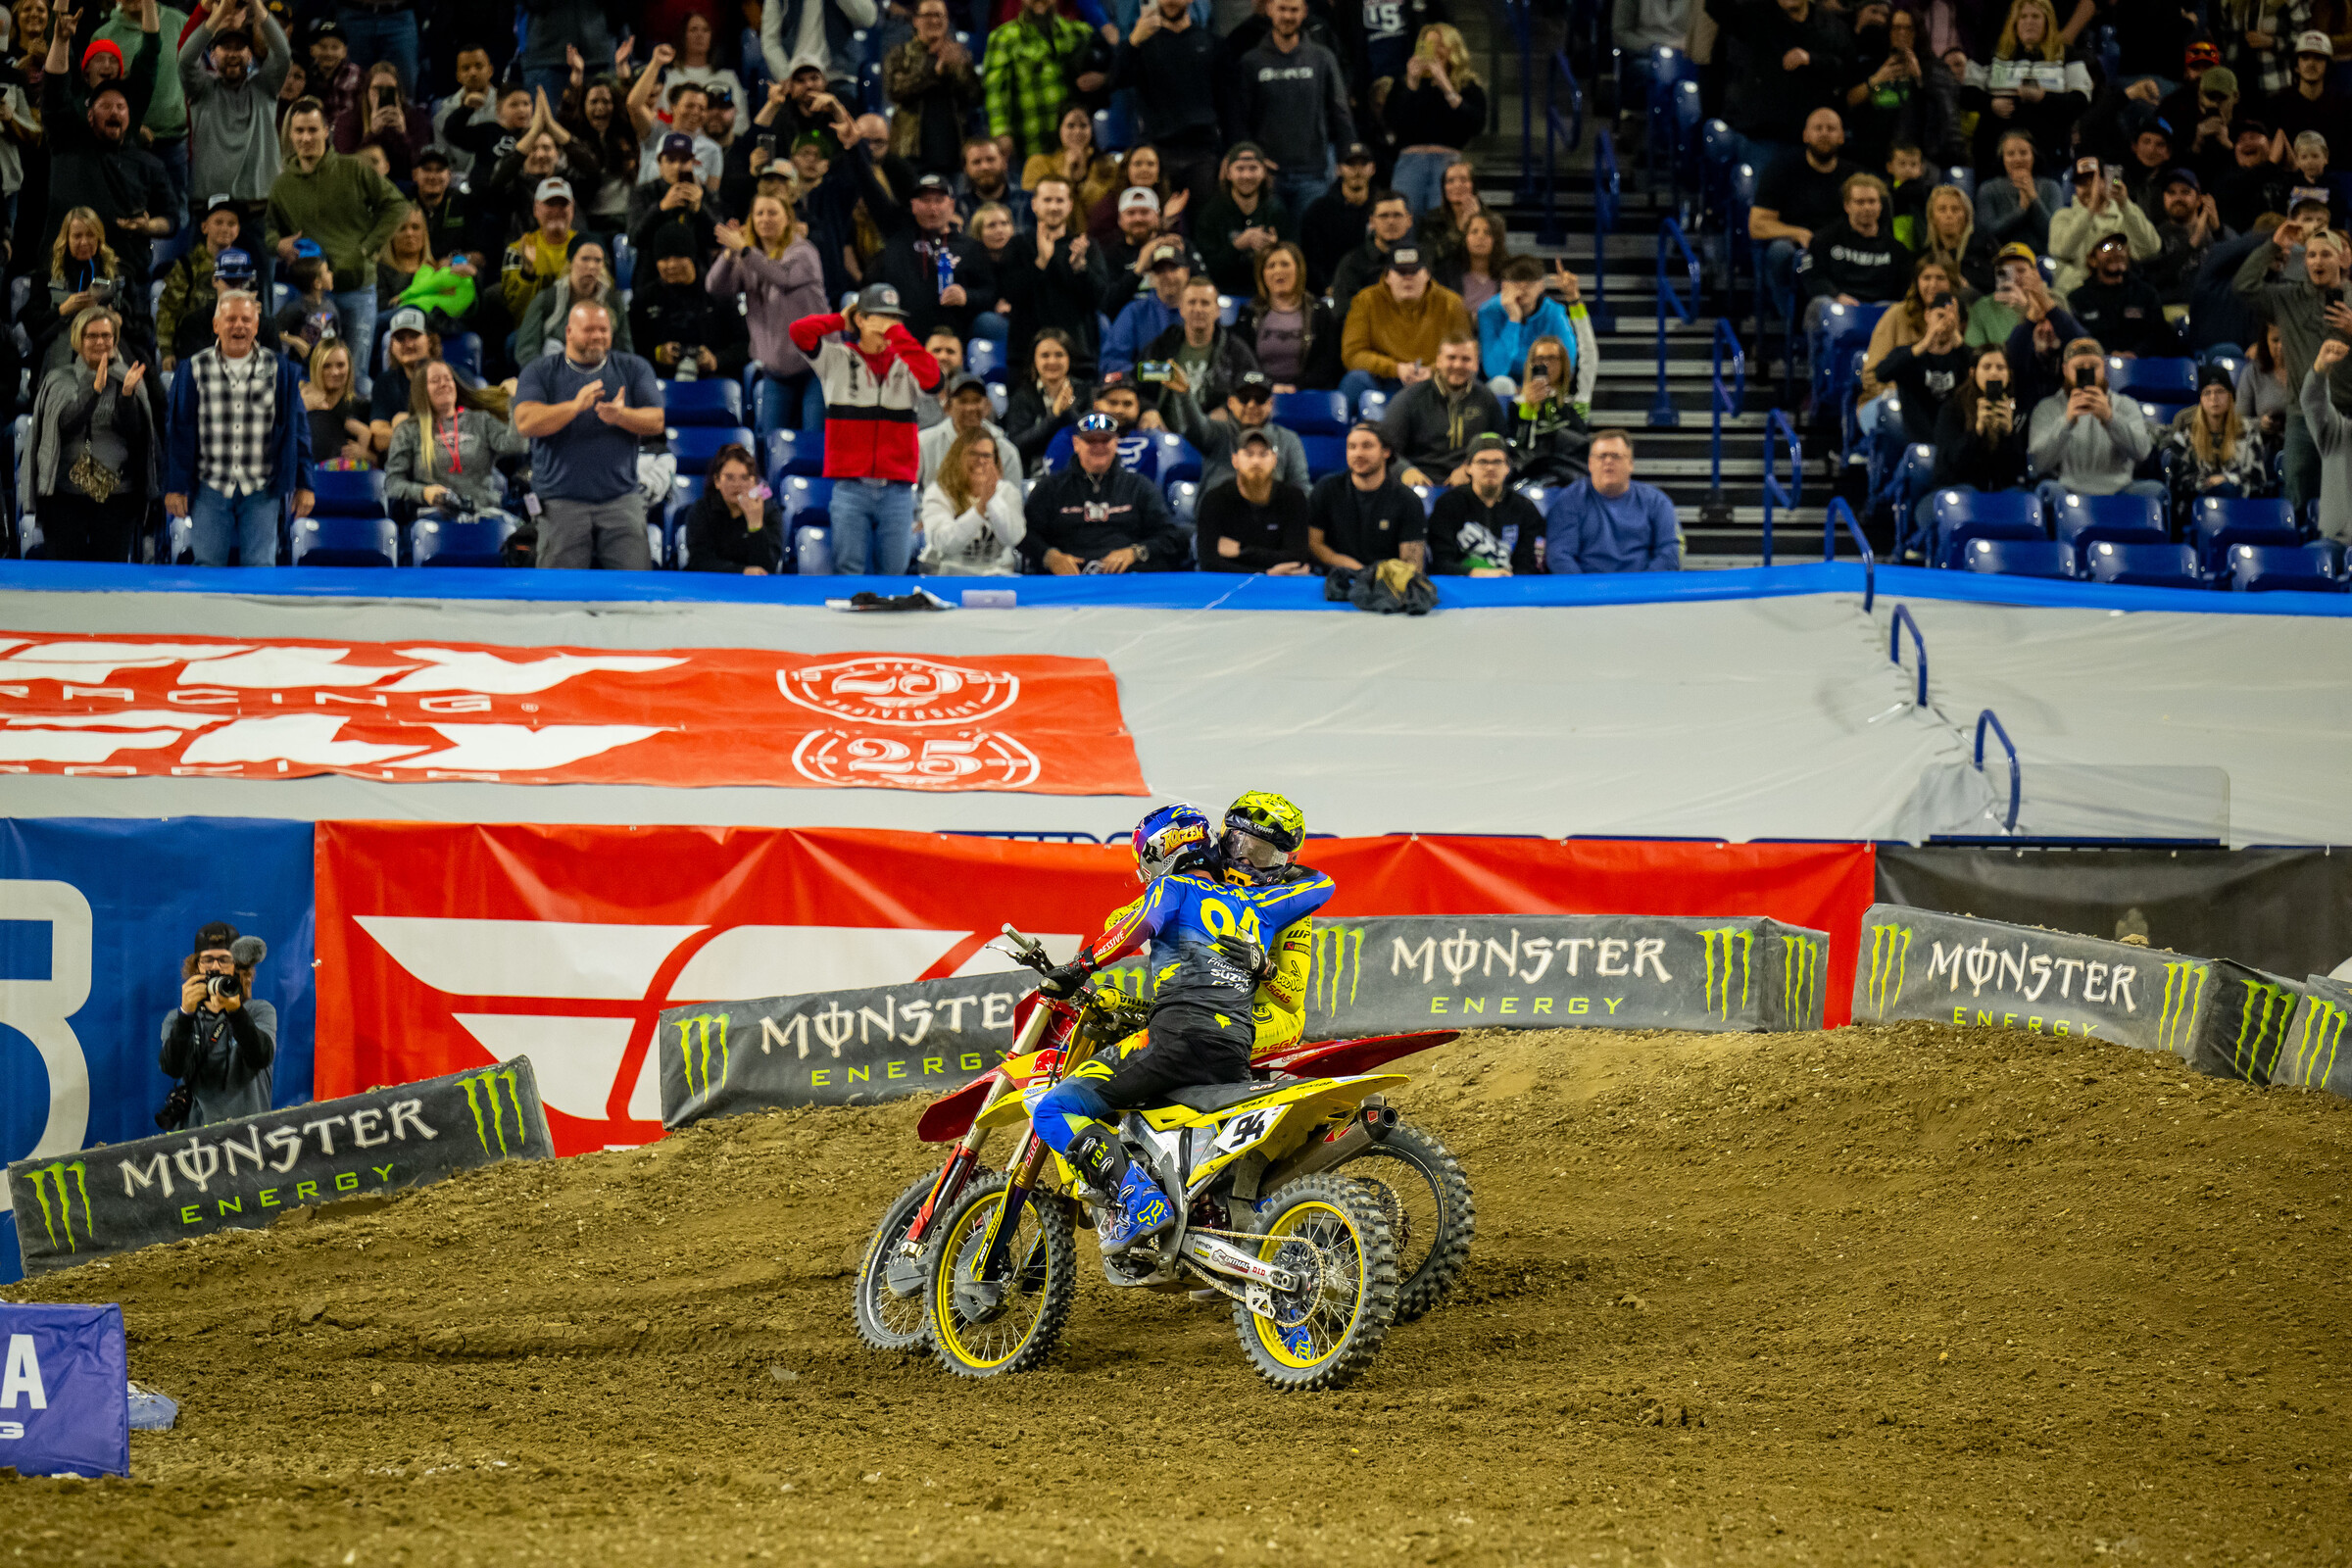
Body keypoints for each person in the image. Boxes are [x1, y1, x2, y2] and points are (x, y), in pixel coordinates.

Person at [1021, 800, 1330, 1255]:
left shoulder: (1172, 889)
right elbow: (1324, 884)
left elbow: (1130, 929)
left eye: (1262, 852)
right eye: (1239, 846)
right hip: (1233, 1045)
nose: (1246, 858)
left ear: (1162, 853)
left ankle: (1138, 1198)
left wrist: (1080, 966)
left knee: (1052, 1110)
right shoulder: (1262, 905)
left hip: (1186, 1033)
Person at [787, 281, 945, 574]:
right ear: (860, 318)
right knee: (849, 571)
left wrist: (897, 335)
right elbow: (798, 331)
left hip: (897, 490)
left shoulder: (908, 361)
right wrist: (839, 321)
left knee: (895, 573)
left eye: (894, 318)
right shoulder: (835, 358)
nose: (888, 324)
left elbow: (934, 381)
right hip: (851, 486)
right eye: (880, 316)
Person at [163, 290, 316, 566]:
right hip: (209, 486)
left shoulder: (280, 371)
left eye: (246, 319)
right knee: (207, 572)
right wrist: (175, 485)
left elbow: (299, 432)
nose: (239, 325)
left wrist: (305, 484)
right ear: (216, 325)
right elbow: (178, 432)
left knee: (261, 573)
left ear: (256, 326)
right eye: (230, 318)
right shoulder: (193, 369)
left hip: (262, 488)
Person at [511, 300, 666, 569]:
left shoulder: (633, 368)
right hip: (560, 502)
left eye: (603, 330)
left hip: (621, 499)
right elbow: (525, 422)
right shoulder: (540, 371)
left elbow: (657, 421)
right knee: (560, 597)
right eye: (589, 330)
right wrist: (574, 407)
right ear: (569, 332)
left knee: (635, 592)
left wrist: (621, 416)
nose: (597, 336)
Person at [267, 95, 404, 396]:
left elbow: (396, 205)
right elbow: (266, 229)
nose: (306, 138)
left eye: (312, 130)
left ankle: (352, 438)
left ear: (327, 130)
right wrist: (278, 243)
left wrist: (368, 248)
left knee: (353, 380)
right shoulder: (282, 184)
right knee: (306, 377)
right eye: (299, 131)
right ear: (290, 134)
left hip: (356, 287)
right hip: (308, 296)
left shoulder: (354, 169)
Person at [2231, 214, 2352, 512]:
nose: (2317, 261)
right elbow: (2243, 286)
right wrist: (2273, 246)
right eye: (2311, 254)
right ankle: (2299, 554)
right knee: (2296, 491)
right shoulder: (2286, 298)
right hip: (2302, 414)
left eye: (2325, 254)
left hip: (2347, 413)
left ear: (2343, 259)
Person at [21, 305, 153, 562]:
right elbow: (64, 425)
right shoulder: (58, 379)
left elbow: (137, 435)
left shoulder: (130, 378)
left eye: (106, 335)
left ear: (115, 339)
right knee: (64, 579)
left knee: (109, 579)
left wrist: (127, 396)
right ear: (78, 340)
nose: (100, 342)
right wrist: (93, 390)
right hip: (65, 498)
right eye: (92, 336)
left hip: (117, 497)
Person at [711, 192, 830, 434]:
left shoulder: (803, 252)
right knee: (769, 441)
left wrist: (744, 250)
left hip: (815, 367)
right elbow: (716, 288)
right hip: (776, 371)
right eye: (760, 213)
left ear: (788, 218)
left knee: (813, 440)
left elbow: (781, 276)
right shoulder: (748, 257)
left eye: (773, 212)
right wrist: (729, 254)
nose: (766, 218)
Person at [178, 0, 291, 247]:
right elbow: (186, 58)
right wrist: (217, 15)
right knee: (203, 285)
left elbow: (282, 53)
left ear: (250, 55)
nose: (232, 54)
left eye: (239, 48)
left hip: (259, 214)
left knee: (261, 286)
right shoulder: (201, 89)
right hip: (209, 215)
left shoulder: (266, 88)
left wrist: (257, 5)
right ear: (213, 55)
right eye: (224, 47)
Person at [1228, 0, 1354, 218]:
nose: (1288, 16)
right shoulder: (1251, 62)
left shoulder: (1322, 58)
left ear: (1305, 12)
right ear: (1270, 10)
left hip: (1314, 173)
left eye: (1294, 10)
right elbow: (1239, 118)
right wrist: (1253, 159)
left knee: (1311, 243)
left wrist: (1347, 158)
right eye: (1282, 9)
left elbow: (1340, 112)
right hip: (1269, 176)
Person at [1021, 410, 1185, 571]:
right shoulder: (1050, 487)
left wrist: (1135, 552)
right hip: (1066, 582)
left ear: (1116, 442)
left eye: (1105, 440)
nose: (1099, 447)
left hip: (1127, 581)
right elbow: (1024, 534)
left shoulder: (1139, 486)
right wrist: (1049, 557)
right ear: (1076, 444)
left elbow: (1171, 536)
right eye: (1091, 441)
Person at [159, 920, 277, 1128]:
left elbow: (261, 1056)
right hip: (196, 1141)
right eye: (207, 960)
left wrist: (235, 1011)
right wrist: (186, 1014)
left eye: (224, 960)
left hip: (250, 1137)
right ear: (196, 966)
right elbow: (172, 1068)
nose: (215, 967)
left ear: (237, 967)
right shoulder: (178, 1018)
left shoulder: (259, 1010)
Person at [1110, 0, 1227, 212]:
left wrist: (1229, 150)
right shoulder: (1142, 43)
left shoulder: (1211, 43)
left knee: (1202, 224)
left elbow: (1227, 104)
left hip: (1202, 153)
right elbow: (1117, 80)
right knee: (1157, 225)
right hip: (1158, 152)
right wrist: (1133, 41)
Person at [1707, 0, 1854, 168]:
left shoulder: (1832, 26)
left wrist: (1811, 60)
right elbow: (1716, 7)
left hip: (1814, 140)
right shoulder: (1755, 17)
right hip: (1764, 136)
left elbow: (1847, 70)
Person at [1747, 108, 1861, 319]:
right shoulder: (1781, 170)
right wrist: (1798, 233)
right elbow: (1757, 225)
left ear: (1842, 137)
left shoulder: (1854, 177)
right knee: (1779, 251)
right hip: (1800, 247)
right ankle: (1795, 326)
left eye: (1831, 128)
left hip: (1842, 248)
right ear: (1805, 135)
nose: (1825, 133)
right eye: (1818, 128)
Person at [383, 358, 525, 525]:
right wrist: (424, 492)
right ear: (421, 390)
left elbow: (519, 445)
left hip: (484, 517)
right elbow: (392, 483)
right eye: (435, 381)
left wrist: (517, 402)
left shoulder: (480, 420)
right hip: (435, 520)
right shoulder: (409, 430)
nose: (444, 384)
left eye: (448, 378)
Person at [2027, 335, 2164, 508]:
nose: (2086, 372)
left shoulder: (2126, 405)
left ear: (2104, 368)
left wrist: (2110, 418)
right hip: (2067, 489)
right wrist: (2066, 422)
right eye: (2079, 367)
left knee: (2155, 491)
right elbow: (2037, 464)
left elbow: (2142, 452)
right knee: (2046, 490)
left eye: (2093, 367)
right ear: (2064, 369)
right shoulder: (2047, 408)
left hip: (2121, 488)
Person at [1960, 0, 2092, 177]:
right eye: (2023, 17)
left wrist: (2043, 98)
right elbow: (1966, 95)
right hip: (1994, 156)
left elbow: (2081, 101)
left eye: (2036, 16)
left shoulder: (2067, 55)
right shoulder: (1992, 54)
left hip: (2048, 155)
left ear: (2048, 21)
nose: (2029, 22)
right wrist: (1991, 103)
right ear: (2014, 23)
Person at [1339, 245, 1474, 404]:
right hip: (1384, 380)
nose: (1408, 278)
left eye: (1414, 272)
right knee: (1355, 380)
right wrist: (1395, 369)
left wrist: (1433, 371)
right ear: (1387, 275)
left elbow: (1465, 354)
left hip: (1437, 381)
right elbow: (1352, 355)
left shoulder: (1452, 303)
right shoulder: (1365, 301)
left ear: (1427, 274)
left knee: (1466, 376)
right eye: (1401, 272)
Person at [1004, 172, 1105, 377]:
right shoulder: (1018, 245)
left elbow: (1100, 297)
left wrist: (1079, 268)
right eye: (1047, 200)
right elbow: (1010, 293)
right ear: (1034, 204)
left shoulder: (1085, 246)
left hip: (1078, 357)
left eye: (1059, 200)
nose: (1053, 207)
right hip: (1025, 358)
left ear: (1069, 205)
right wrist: (1041, 262)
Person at [984, 0, 1106, 170]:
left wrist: (1103, 78)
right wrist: (1001, 133)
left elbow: (1112, 68)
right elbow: (996, 92)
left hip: (1073, 143)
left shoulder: (1078, 33)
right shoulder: (1003, 38)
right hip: (1029, 143)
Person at [874, 170, 993, 341]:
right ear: (913, 205)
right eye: (925, 200)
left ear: (952, 205)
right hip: (903, 340)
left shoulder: (970, 247)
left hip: (952, 343)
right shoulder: (898, 234)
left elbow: (990, 292)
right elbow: (873, 193)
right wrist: (854, 149)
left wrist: (966, 296)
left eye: (938, 200)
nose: (932, 207)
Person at [1927, 344, 2032, 537]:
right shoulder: (1952, 409)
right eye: (1987, 367)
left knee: (2022, 498)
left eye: (2000, 367)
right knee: (1968, 492)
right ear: (1973, 372)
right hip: (1954, 490)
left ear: (2009, 374)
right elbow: (1951, 464)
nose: (1994, 373)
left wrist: (2009, 434)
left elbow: (2019, 474)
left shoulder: (2019, 413)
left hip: (1997, 497)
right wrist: (1977, 432)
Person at [1544, 427, 1681, 572]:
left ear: (1630, 464)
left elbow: (1669, 552)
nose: (1608, 461)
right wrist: (1585, 591)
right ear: (1590, 463)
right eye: (1602, 456)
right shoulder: (1568, 501)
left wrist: (1643, 588)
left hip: (1642, 588)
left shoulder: (1657, 501)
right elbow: (1559, 555)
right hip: (1588, 590)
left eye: (1616, 456)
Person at [1386, 24, 1485, 217]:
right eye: (1428, 45)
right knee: (1404, 220)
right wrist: (1412, 85)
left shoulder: (1467, 85)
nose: (1434, 51)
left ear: (1452, 49)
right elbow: (1392, 122)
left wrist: (1447, 88)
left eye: (1440, 45)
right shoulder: (1404, 83)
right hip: (1410, 162)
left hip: (1447, 163)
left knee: (1443, 222)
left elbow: (1475, 124)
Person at [1381, 331, 1504, 485]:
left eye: (1466, 359)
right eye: (1451, 358)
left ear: (1475, 363)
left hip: (1470, 484)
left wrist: (1469, 469)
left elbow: (1500, 446)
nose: (1458, 365)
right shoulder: (1409, 398)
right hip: (1419, 482)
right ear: (1438, 361)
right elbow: (1386, 449)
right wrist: (1405, 471)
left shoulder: (1487, 398)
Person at [1160, 368, 1309, 494]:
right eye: (1244, 398)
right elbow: (1194, 427)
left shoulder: (1287, 439)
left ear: (1270, 404)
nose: (1252, 405)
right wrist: (1184, 394)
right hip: (1217, 520)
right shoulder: (1217, 432)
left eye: (1260, 398)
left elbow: (1301, 489)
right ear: (1230, 402)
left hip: (1271, 520)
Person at [631, 222, 749, 383]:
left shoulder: (719, 293)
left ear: (692, 256)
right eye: (664, 258)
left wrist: (715, 360)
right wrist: (658, 354)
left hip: (714, 381)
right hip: (660, 382)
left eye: (679, 256)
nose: (671, 265)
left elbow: (745, 346)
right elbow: (631, 349)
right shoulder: (644, 299)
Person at [1796, 172, 1909, 331]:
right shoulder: (1824, 240)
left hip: (1880, 312)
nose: (1867, 207)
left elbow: (1905, 289)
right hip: (1838, 305)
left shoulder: (1896, 250)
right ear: (1847, 206)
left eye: (1872, 201)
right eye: (1860, 202)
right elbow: (1812, 276)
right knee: (1820, 305)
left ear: (1880, 205)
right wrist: (1836, 295)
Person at [1306, 421, 1426, 570]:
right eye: (1352, 447)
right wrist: (1356, 569)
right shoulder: (1326, 489)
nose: (1358, 453)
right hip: (1336, 578)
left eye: (1367, 446)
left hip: (1386, 584)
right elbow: (1314, 544)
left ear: (1386, 451)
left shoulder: (1407, 500)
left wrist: (1372, 577)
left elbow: (1411, 565)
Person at [886, 0, 983, 179]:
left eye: (939, 15)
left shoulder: (959, 56)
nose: (934, 21)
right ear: (916, 21)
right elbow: (897, 91)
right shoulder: (900, 54)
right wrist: (935, 72)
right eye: (928, 15)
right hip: (911, 156)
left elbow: (974, 96)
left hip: (953, 156)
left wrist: (957, 69)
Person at [1196, 427, 1313, 572]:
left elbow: (1296, 558)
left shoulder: (1293, 498)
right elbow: (1209, 562)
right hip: (1229, 587)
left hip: (1278, 586)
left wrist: (1242, 550)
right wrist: (1266, 573)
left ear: (1275, 459)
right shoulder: (1214, 499)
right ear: (1235, 460)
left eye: (1263, 454)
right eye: (1249, 454)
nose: (1256, 461)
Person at [1233, 241, 1343, 393]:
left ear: (1299, 269)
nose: (1278, 271)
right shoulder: (1248, 313)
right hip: (1258, 393)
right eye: (1271, 266)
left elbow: (1328, 362)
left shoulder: (1320, 312)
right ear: (1262, 274)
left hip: (1308, 392)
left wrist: (1297, 387)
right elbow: (1241, 361)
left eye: (1285, 264)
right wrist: (1268, 386)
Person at [1426, 432, 1540, 576]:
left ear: (1507, 468)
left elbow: (1527, 564)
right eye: (1482, 462)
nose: (1490, 468)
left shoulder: (1524, 508)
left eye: (1497, 462)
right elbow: (1440, 563)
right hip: (1462, 587)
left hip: (1509, 587)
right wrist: (1475, 572)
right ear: (1468, 467)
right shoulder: (1449, 504)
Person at [918, 426, 1026, 573]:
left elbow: (1013, 537)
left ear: (996, 461)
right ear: (957, 458)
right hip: (947, 577)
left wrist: (992, 499)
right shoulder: (938, 492)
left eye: (986, 456)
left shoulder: (1007, 492)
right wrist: (980, 510)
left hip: (996, 577)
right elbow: (943, 542)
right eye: (973, 454)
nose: (980, 461)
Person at [2046, 157, 2161, 296]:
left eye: (2092, 182)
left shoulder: (2124, 214)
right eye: (2082, 184)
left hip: (2118, 293)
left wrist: (2126, 205)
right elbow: (2061, 250)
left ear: (2106, 181)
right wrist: (2090, 210)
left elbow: (2151, 248)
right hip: (2075, 295)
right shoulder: (2063, 216)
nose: (2088, 189)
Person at [2169, 361, 2273, 513]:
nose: (2214, 398)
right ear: (2201, 399)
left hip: (2240, 505)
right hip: (2197, 507)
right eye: (2207, 393)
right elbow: (2177, 482)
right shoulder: (2186, 432)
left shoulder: (2247, 431)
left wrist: (2227, 480)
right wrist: (2209, 484)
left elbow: (2258, 479)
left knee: (2228, 490)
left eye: (2220, 391)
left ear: (2230, 396)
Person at [1141, 275, 1258, 409]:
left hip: (1216, 427)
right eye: (1191, 302)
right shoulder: (1165, 345)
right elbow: (1139, 381)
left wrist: (1228, 411)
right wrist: (1148, 410)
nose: (1198, 309)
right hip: (1165, 428)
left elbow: (1253, 390)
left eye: (1205, 303)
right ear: (1181, 309)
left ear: (1217, 310)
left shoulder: (1234, 351)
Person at [1194, 143, 1294, 298]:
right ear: (1228, 173)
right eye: (1240, 169)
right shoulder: (1211, 213)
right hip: (1223, 293)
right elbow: (1206, 269)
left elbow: (1295, 262)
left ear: (1263, 172)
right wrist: (1237, 245)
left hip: (1267, 295)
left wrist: (1274, 251)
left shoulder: (1276, 211)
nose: (1247, 176)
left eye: (1253, 168)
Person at [518, 233, 634, 364]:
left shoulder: (613, 301)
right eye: (585, 259)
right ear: (571, 261)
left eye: (598, 260)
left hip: (601, 372)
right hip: (553, 371)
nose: (591, 266)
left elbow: (625, 350)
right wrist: (542, 377)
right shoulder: (547, 299)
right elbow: (526, 350)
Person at [2066, 231, 2183, 358]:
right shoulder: (2078, 299)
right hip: (2098, 367)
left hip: (2142, 366)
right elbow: (2076, 339)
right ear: (2092, 259)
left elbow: (2159, 333)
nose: (2116, 253)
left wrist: (2136, 353)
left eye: (2120, 247)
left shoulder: (2145, 293)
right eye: (2107, 248)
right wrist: (2109, 354)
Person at [677, 441, 785, 574]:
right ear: (717, 481)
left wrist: (755, 523)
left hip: (754, 590)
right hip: (709, 587)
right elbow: (700, 561)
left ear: (754, 481)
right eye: (729, 477)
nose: (737, 484)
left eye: (744, 477)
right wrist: (742, 571)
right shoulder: (701, 510)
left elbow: (766, 568)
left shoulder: (770, 511)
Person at [1478, 255, 1575, 397]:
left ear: (1541, 285)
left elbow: (1567, 364)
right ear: (1504, 285)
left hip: (1542, 386)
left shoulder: (1554, 312)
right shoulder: (1488, 312)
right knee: (1501, 384)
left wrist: (1529, 390)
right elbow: (1494, 370)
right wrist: (1513, 320)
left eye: (1530, 282)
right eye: (1516, 281)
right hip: (1505, 392)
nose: (1523, 288)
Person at [1102, 237, 1193, 376]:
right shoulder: (1134, 312)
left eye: (1173, 268)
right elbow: (1110, 364)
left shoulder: (1199, 310)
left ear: (1186, 272)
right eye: (1160, 271)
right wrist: (1160, 373)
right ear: (1151, 276)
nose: (1167, 276)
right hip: (1146, 392)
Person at [916, 371, 1023, 488]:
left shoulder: (1006, 451)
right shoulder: (924, 443)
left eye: (976, 400)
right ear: (948, 406)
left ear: (987, 406)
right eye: (963, 401)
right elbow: (912, 494)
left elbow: (1013, 500)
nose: (971, 408)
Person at [1003, 328, 1089, 469]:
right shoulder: (1022, 397)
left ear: (1069, 358)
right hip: (1035, 474)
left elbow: (1090, 435)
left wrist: (1067, 412)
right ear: (1034, 361)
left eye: (1059, 355)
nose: (1052, 361)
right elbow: (1017, 445)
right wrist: (1054, 416)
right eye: (1045, 355)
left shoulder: (1085, 391)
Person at [1300, 141, 1378, 294]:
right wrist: (1327, 287)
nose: (1357, 171)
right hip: (1330, 293)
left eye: (1363, 164)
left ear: (1373, 168)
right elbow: (1310, 260)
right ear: (1338, 169)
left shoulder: (1384, 209)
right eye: (1351, 164)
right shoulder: (1319, 211)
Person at [1976, 129, 2063, 257]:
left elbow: (2057, 234)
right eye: (2010, 154)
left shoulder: (2051, 187)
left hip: (2044, 260)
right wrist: (2020, 210)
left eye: (2023, 153)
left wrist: (2033, 199)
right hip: (2002, 258)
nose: (2017, 159)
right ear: (2002, 158)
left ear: (2033, 155)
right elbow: (1987, 233)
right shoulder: (1988, 189)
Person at [2305, 336, 2352, 543]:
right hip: (2338, 544)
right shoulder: (2338, 432)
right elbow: (2313, 401)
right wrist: (2320, 368)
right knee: (2313, 557)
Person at [299, 336, 371, 469]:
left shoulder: (361, 407)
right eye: (326, 366)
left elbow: (380, 460)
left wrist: (363, 453)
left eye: (340, 365)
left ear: (349, 367)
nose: (335, 372)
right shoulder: (301, 397)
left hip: (345, 479)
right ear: (316, 367)